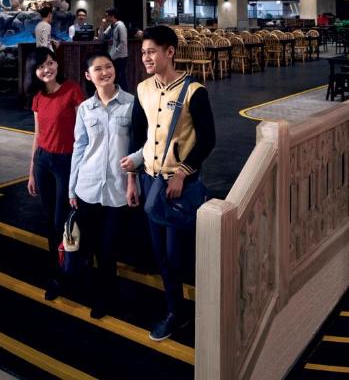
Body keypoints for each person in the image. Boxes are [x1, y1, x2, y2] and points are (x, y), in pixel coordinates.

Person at [122, 25, 215, 342]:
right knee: (160, 253)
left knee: (177, 254)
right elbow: (137, 136)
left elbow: (207, 140)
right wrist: (132, 179)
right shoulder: (143, 89)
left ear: (170, 52)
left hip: (180, 186)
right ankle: (176, 311)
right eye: (143, 52)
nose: (145, 57)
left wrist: (182, 172)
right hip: (150, 182)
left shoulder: (194, 91)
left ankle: (194, 311)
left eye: (151, 51)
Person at [68, 51, 141, 319]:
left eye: (108, 66)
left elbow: (142, 144)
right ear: (88, 76)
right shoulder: (85, 109)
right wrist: (72, 187)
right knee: (90, 245)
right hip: (87, 187)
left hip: (118, 189)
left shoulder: (132, 104)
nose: (104, 72)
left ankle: (107, 296)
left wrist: (133, 172)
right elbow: (79, 148)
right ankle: (95, 290)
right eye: (98, 69)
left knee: (109, 247)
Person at [27, 46, 85, 300]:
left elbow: (84, 133)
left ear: (57, 64)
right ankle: (58, 271)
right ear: (34, 71)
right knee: (51, 220)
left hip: (66, 162)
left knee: (64, 219)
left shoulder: (72, 90)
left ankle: (71, 269)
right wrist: (31, 171)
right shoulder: (38, 97)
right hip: (43, 162)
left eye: (50, 63)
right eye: (41, 66)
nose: (46, 69)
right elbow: (37, 135)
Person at [100, 7, 128, 90]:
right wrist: (102, 26)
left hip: (120, 56)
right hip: (113, 56)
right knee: (115, 78)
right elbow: (101, 38)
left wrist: (114, 54)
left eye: (107, 16)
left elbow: (123, 42)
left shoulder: (120, 26)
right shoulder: (111, 26)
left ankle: (125, 94)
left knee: (121, 78)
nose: (105, 18)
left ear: (112, 16)